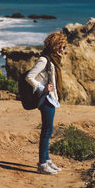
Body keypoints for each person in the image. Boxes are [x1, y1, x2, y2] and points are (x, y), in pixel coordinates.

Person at [26, 32, 67, 175]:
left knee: (49, 131)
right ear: (56, 46)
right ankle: (42, 164)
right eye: (62, 47)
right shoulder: (44, 60)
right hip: (46, 99)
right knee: (46, 131)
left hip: (52, 99)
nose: (63, 50)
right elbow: (29, 77)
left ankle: (47, 159)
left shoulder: (53, 60)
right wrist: (43, 88)